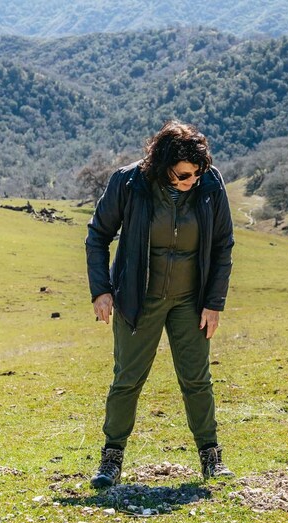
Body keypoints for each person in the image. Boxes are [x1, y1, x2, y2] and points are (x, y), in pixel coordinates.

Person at [85, 120, 235, 488]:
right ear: (163, 164)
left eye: (196, 174)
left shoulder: (211, 184)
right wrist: (101, 289)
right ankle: (111, 458)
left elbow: (222, 246)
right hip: (138, 299)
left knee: (197, 379)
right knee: (127, 379)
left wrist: (214, 302)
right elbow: (97, 236)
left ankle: (211, 457)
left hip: (191, 300)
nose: (191, 181)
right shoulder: (129, 183)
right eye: (184, 175)